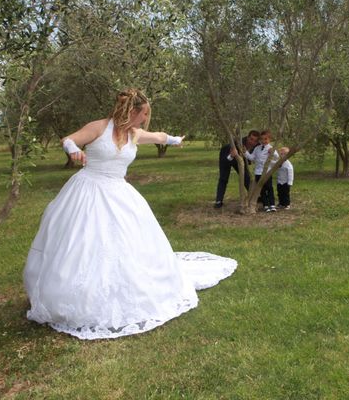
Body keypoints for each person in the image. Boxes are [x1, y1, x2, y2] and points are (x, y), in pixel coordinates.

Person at [23, 89, 237, 340]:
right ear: (132, 111)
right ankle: (75, 295)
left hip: (119, 192)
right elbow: (69, 139)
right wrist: (72, 150)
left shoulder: (134, 134)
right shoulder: (99, 127)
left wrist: (175, 139)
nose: (145, 119)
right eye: (144, 114)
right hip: (88, 190)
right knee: (84, 241)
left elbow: (158, 136)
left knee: (127, 242)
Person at [214, 130, 259, 208]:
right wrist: (232, 155)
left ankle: (253, 196)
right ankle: (219, 201)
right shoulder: (237, 144)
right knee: (223, 178)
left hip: (241, 160)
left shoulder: (257, 145)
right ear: (247, 137)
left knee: (246, 177)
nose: (252, 142)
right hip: (228, 155)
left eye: (255, 141)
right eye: (251, 139)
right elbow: (226, 160)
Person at [244, 129, 279, 212]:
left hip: (267, 172)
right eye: (262, 139)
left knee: (269, 188)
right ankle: (266, 205)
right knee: (261, 189)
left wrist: (272, 153)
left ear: (269, 139)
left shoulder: (271, 148)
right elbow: (252, 158)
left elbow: (277, 158)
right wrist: (245, 152)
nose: (263, 141)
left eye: (266, 139)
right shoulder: (257, 148)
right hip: (258, 172)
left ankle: (272, 204)